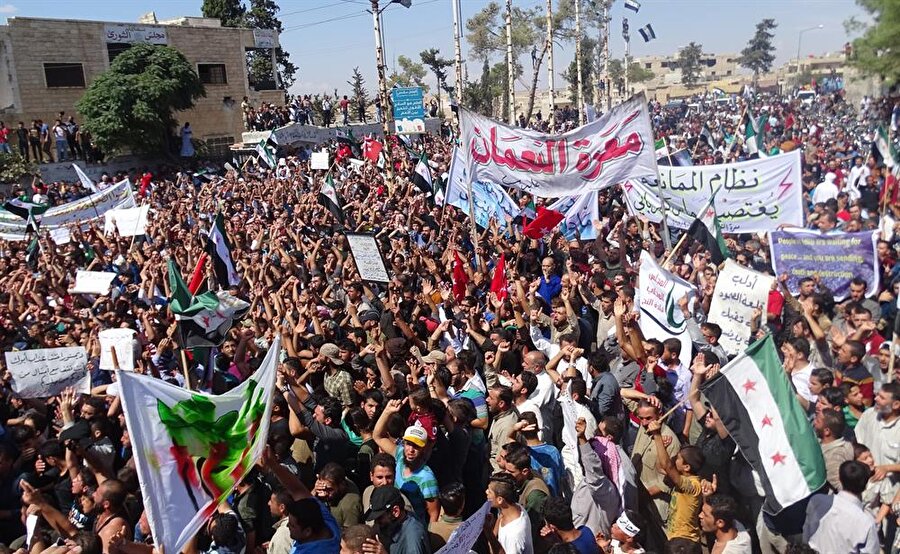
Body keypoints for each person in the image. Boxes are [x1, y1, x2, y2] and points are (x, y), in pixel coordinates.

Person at [803, 460, 880, 553]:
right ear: (865, 486)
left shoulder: (817, 501)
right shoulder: (866, 521)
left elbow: (806, 536)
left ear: (840, 478)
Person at [364, 485, 430, 554]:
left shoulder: (413, 537)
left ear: (395, 511)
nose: (376, 522)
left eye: (380, 517)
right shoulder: (391, 525)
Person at [484, 472, 533, 554]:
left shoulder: (514, 535)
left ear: (500, 499)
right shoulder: (512, 508)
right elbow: (501, 517)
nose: (486, 492)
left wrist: (488, 532)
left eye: (490, 491)